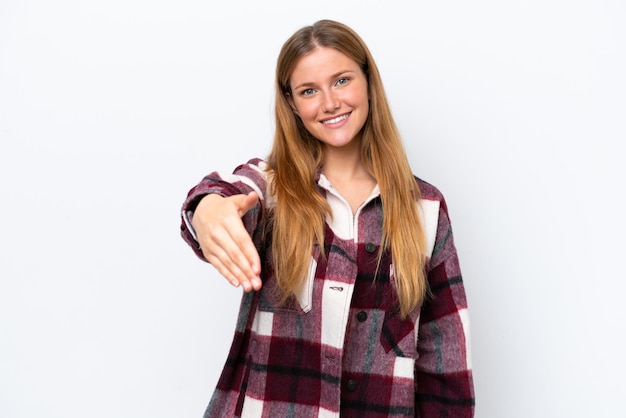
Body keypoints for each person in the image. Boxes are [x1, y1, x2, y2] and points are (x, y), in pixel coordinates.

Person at [180, 19, 474, 418]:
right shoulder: (273, 189)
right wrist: (208, 210)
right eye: (308, 91)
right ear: (292, 105)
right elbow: (226, 192)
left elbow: (445, 361)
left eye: (341, 81)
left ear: (368, 81)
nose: (329, 103)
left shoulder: (425, 207)